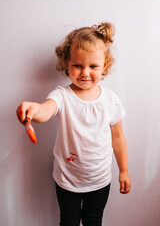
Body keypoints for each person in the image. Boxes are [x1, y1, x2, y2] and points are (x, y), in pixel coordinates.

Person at [16, 22, 131, 226]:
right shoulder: (62, 95)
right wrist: (34, 109)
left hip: (100, 179)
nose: (84, 73)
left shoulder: (111, 100)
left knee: (93, 221)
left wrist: (123, 170)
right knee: (68, 221)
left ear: (104, 65)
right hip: (67, 179)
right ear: (67, 64)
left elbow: (118, 137)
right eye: (77, 65)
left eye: (93, 66)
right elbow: (45, 110)